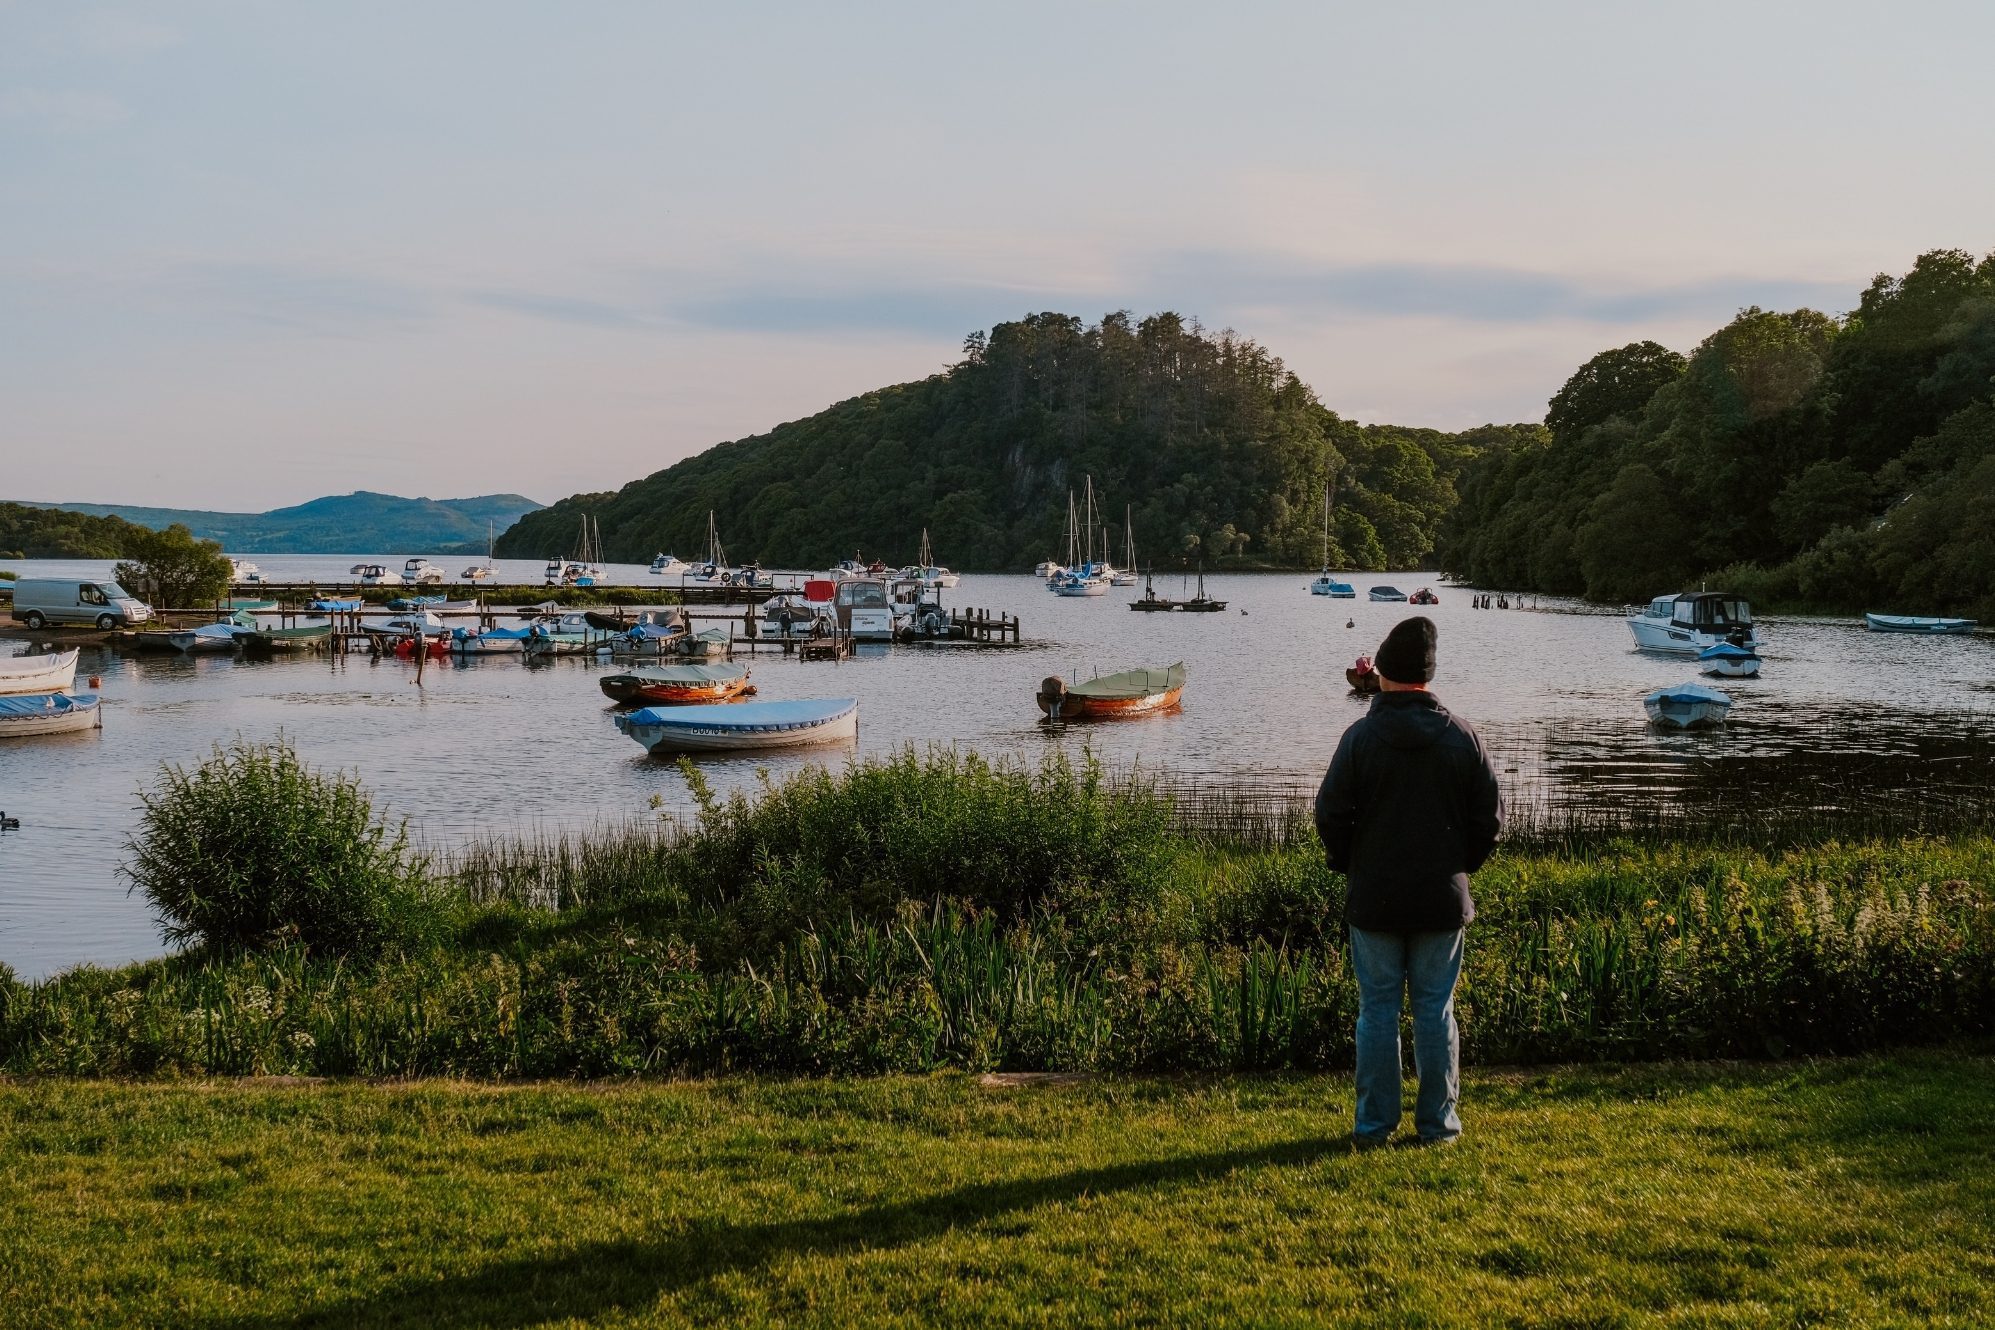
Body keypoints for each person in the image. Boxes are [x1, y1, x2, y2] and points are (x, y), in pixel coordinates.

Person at [1315, 616, 1502, 1148]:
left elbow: (1329, 815)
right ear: (1427, 676)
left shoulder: (1360, 738)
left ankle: (1374, 1127)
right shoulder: (1463, 736)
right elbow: (1489, 822)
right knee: (1434, 1010)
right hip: (1441, 897)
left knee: (1376, 1011)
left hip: (1374, 897)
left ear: (1386, 675)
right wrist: (1457, 866)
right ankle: (1438, 1125)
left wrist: (1352, 863)